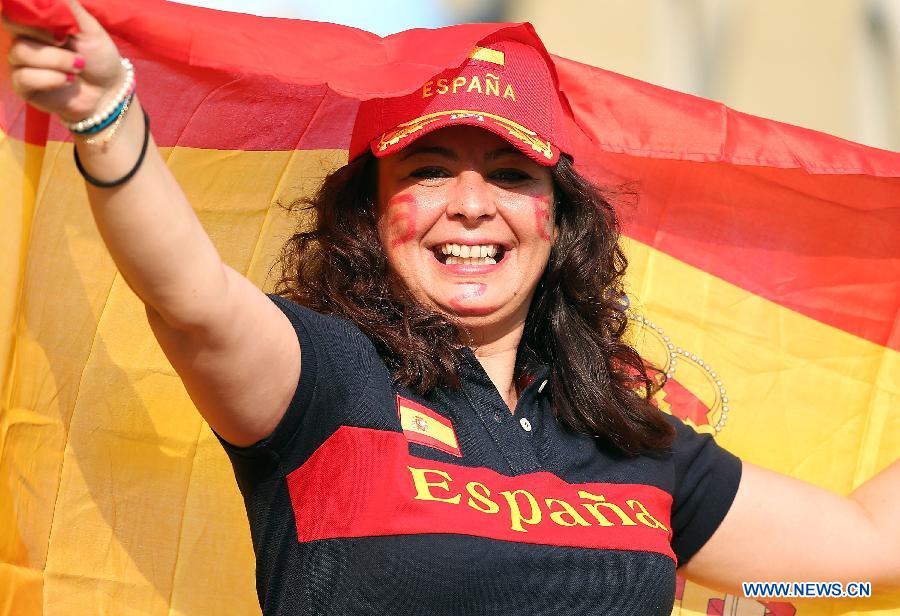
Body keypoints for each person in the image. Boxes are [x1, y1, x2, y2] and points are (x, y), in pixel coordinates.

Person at [4, 2, 899, 615]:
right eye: (428, 171)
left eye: (511, 175)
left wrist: (779, 600)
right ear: (369, 212)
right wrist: (109, 119)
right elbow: (191, 301)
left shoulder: (632, 439)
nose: (472, 205)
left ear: (559, 222)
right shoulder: (326, 383)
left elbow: (861, 561)